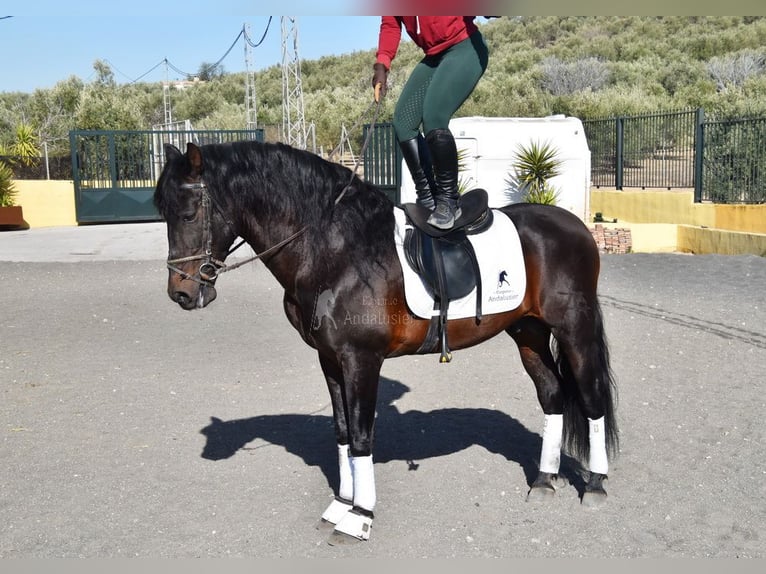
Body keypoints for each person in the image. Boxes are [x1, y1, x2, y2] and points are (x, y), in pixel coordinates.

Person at [372, 16, 489, 230]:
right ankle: (428, 198)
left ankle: (449, 201)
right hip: (434, 57)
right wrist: (382, 65)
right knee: (403, 122)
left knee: (434, 115)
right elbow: (390, 25)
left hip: (465, 46)